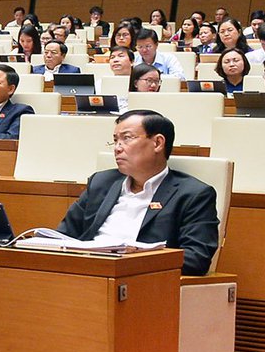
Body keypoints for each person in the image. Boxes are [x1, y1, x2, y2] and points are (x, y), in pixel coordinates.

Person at [55, 110, 219, 275]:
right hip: (84, 272)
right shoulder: (101, 182)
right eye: (115, 140)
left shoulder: (193, 194)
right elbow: (64, 235)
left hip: (140, 281)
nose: (117, 148)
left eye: (127, 138)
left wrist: (131, 258)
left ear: (158, 143)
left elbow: (196, 259)